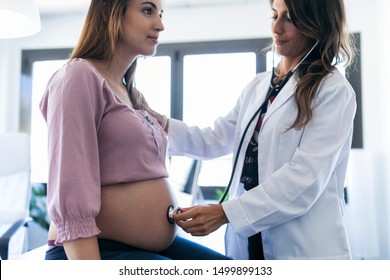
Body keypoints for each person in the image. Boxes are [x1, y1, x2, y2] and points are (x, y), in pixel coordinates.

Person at [150, 0, 357, 260]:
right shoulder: (258, 86)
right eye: (274, 15)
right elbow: (214, 140)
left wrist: (224, 213)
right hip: (251, 241)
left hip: (304, 249)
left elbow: (305, 179)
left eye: (289, 19)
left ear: (316, 25)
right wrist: (158, 121)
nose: (276, 27)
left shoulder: (332, 90)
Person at [40, 0, 230, 260]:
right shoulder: (78, 76)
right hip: (95, 248)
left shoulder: (130, 92)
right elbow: (70, 186)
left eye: (161, 14)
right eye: (147, 10)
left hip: (146, 246)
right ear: (112, 13)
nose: (160, 25)